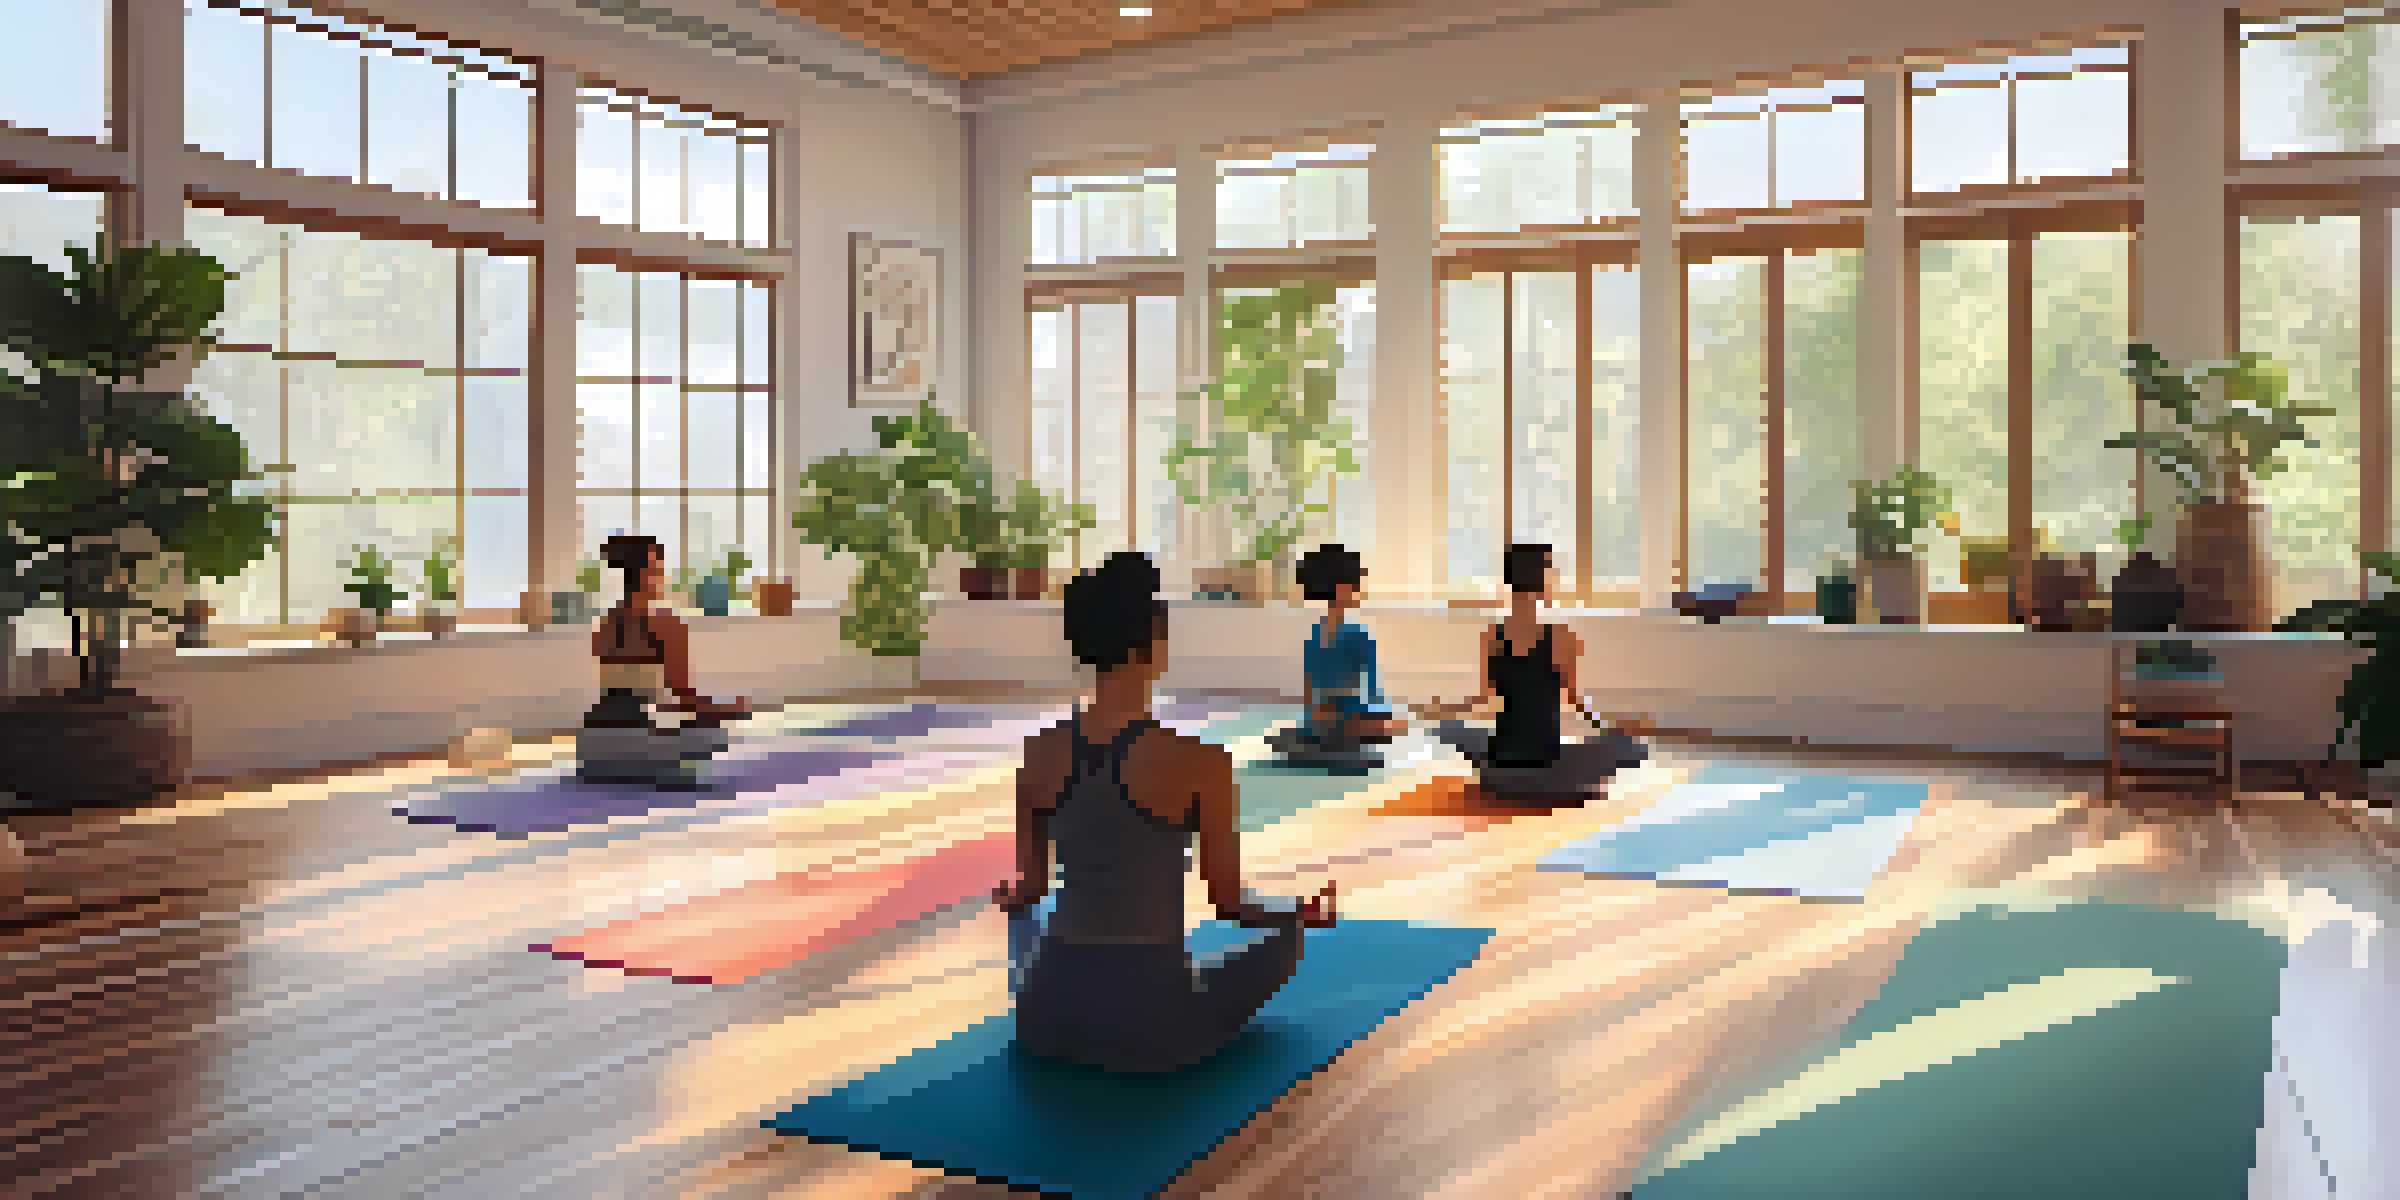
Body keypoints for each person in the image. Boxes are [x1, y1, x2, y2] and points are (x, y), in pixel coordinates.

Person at [993, 551, 1338, 1073]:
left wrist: (1013, 900)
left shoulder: (1039, 751)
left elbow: (1033, 887)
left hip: (1045, 1018)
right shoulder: (1199, 758)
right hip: (1151, 1025)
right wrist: (1296, 912)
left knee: (1030, 924)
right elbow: (1229, 905)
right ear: (1154, 640)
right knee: (1284, 943)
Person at [1410, 544, 1654, 806]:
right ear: (1542, 580)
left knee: (1457, 729)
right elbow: (1577, 703)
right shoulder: (1563, 636)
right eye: (1551, 573)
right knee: (1629, 743)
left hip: (1500, 768)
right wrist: (1614, 724)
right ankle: (1558, 785)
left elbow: (1482, 698)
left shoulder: (1491, 635)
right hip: (1546, 766)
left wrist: (1440, 709)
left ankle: (1513, 780)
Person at [577, 534, 751, 785]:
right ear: (647, 573)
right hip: (642, 742)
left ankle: (625, 767)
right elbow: (681, 696)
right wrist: (726, 710)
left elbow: (625, 691)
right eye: (659, 568)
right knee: (716, 732)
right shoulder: (665, 622)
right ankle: (660, 768)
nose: (663, 576)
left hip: (592, 746)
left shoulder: (606, 622)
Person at [1268, 543, 1408, 761]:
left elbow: (1310, 688)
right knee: (1401, 723)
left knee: (1334, 724)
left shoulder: (1316, 634)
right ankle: (1339, 736)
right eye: (1356, 585)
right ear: (1344, 588)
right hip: (1348, 717)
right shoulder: (1359, 634)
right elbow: (1371, 689)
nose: (1359, 592)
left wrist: (1315, 716)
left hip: (1324, 717)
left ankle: (1325, 736)